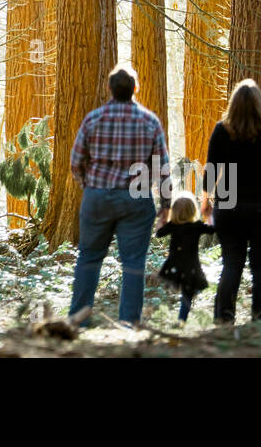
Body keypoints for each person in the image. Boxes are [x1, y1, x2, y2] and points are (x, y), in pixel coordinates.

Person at [67, 65, 170, 328]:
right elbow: (162, 167)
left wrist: (88, 186)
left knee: (89, 256)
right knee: (134, 261)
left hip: (97, 196)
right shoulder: (150, 121)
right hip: (136, 198)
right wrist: (166, 203)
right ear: (136, 89)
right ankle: (129, 322)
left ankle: (79, 318)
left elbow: (76, 162)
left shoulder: (93, 119)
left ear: (109, 89)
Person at [206, 79, 261, 323]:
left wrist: (205, 201)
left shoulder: (221, 130)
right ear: (259, 105)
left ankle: (223, 318)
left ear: (233, 105)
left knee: (232, 263)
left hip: (230, 202)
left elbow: (211, 172)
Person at [155, 191, 217, 324]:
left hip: (174, 266)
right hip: (191, 267)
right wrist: (209, 215)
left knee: (182, 289)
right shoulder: (196, 226)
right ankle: (181, 320)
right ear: (193, 210)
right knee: (189, 292)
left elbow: (158, 233)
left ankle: (174, 314)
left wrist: (162, 220)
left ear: (174, 212)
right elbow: (213, 229)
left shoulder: (173, 225)